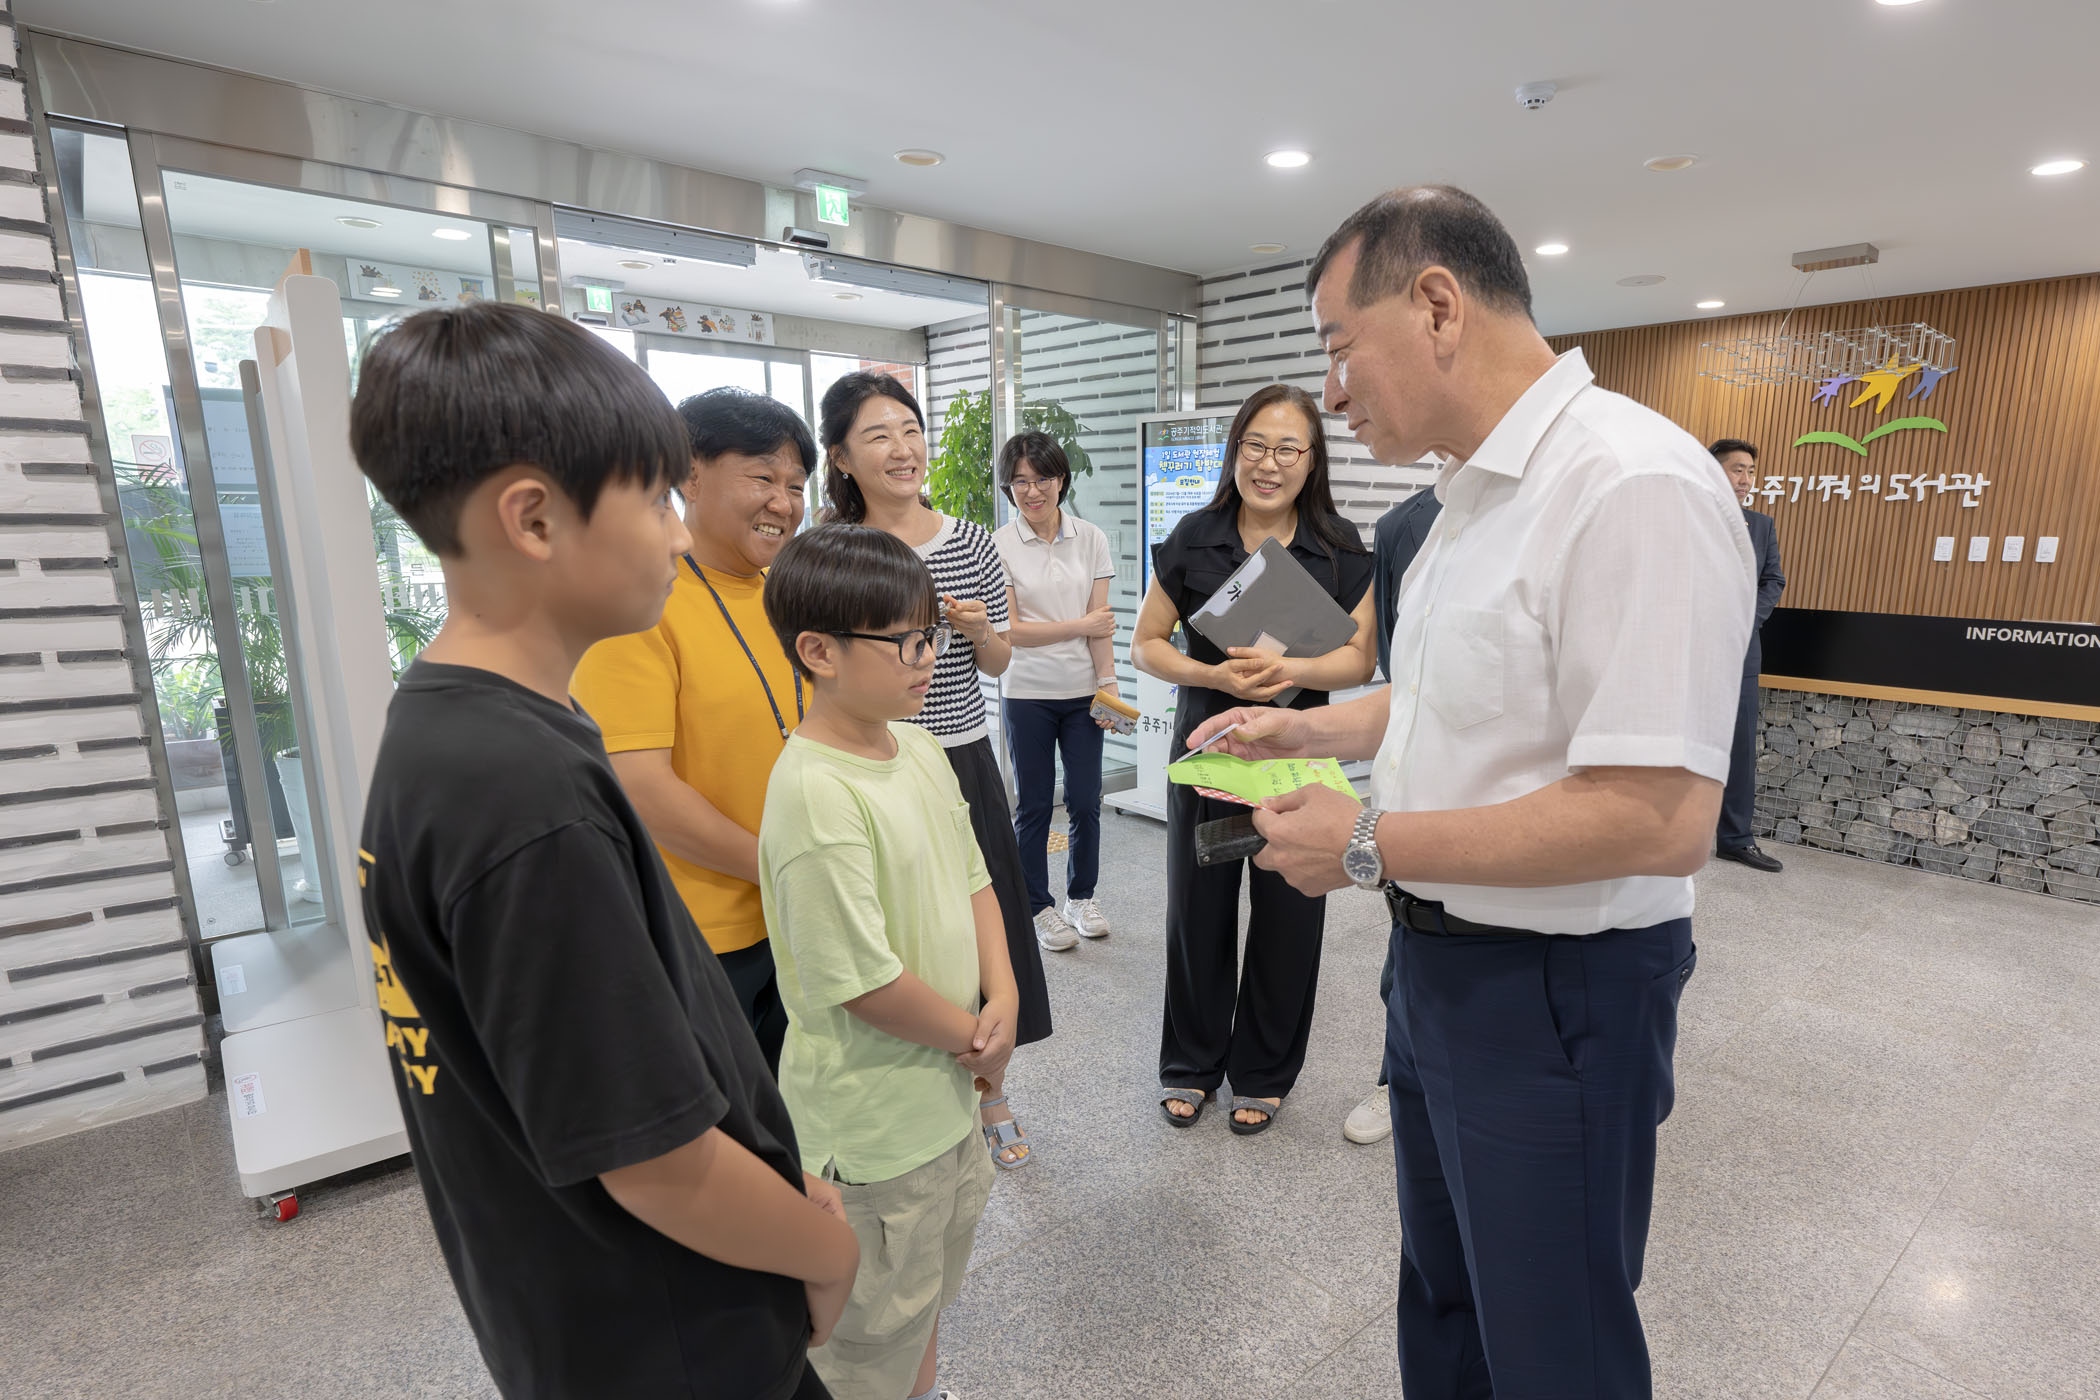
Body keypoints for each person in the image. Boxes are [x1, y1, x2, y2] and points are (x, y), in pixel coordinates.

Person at [1189, 186, 1752, 1399]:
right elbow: (1448, 690)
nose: (1333, 392)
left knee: (1553, 1344)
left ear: (1437, 304)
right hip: (1435, 966)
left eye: (1340, 347)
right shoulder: (1462, 504)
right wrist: (1304, 724)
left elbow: (1659, 815)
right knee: (1446, 1305)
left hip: (1556, 991)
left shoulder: (1629, 482)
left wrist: (1366, 840)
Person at [348, 303, 858, 1400]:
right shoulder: (518, 795)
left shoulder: (463, 723)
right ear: (534, 517)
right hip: (673, 1332)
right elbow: (658, 1161)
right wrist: (827, 1250)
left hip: (598, 1313)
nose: (676, 534)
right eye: (657, 496)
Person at [757, 523, 1013, 1400]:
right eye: (905, 640)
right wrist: (975, 1038)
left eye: (930, 634)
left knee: (926, 1298)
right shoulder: (813, 792)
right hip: (872, 1132)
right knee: (867, 1342)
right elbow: (862, 982)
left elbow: (976, 878)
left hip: (945, 1100)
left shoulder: (923, 748)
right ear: (818, 651)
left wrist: (1005, 997)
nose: (928, 657)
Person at [817, 371, 1051, 1171]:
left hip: (958, 754)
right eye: (878, 435)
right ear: (841, 457)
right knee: (898, 933)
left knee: (980, 929)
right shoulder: (833, 551)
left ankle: (991, 1087)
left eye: (911, 430)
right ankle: (914, 1085)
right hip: (866, 763)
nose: (902, 448)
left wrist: (981, 630)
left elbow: (999, 662)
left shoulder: (972, 541)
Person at [1135, 383, 1377, 1134]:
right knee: (1197, 909)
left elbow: (1360, 660)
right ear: (1235, 450)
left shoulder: (1339, 548)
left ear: (1312, 460)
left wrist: (1289, 672)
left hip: (1295, 758)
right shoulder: (1194, 536)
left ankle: (1265, 1070)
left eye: (1288, 449)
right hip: (1208, 751)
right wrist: (1214, 677)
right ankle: (1190, 1062)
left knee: (1289, 910)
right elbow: (1146, 644)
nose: (1269, 464)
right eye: (1255, 445)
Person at [572, 387, 815, 1072]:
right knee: (723, 1118)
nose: (783, 503)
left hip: (797, 916)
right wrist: (785, 870)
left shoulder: (788, 596)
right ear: (690, 474)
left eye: (797, 485)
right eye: (763, 477)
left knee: (799, 1111)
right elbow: (641, 788)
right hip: (701, 934)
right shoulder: (639, 604)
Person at [1342, 481, 1443, 1148]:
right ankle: (1396, 1078)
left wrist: (1357, 836)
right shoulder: (1404, 523)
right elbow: (1400, 670)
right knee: (1408, 940)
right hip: (1419, 781)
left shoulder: (1593, 494)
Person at [992, 430, 1119, 947]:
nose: (1032, 490)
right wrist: (1079, 626)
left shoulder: (1091, 538)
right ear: (1008, 487)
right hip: (1026, 693)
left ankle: (1080, 897)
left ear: (1061, 480)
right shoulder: (999, 544)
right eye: (1019, 481)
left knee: (1087, 800)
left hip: (1084, 692)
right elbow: (1010, 631)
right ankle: (1038, 906)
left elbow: (1102, 626)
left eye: (1041, 478)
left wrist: (1109, 687)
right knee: (1035, 805)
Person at [1710, 438, 1787, 873]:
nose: (1745, 479)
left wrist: (1745, 620)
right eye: (1736, 469)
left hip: (1741, 651)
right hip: (1687, 649)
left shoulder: (1761, 525)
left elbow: (1773, 580)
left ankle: (1735, 839)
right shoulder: (1688, 517)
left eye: (1751, 471)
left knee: (1740, 749)